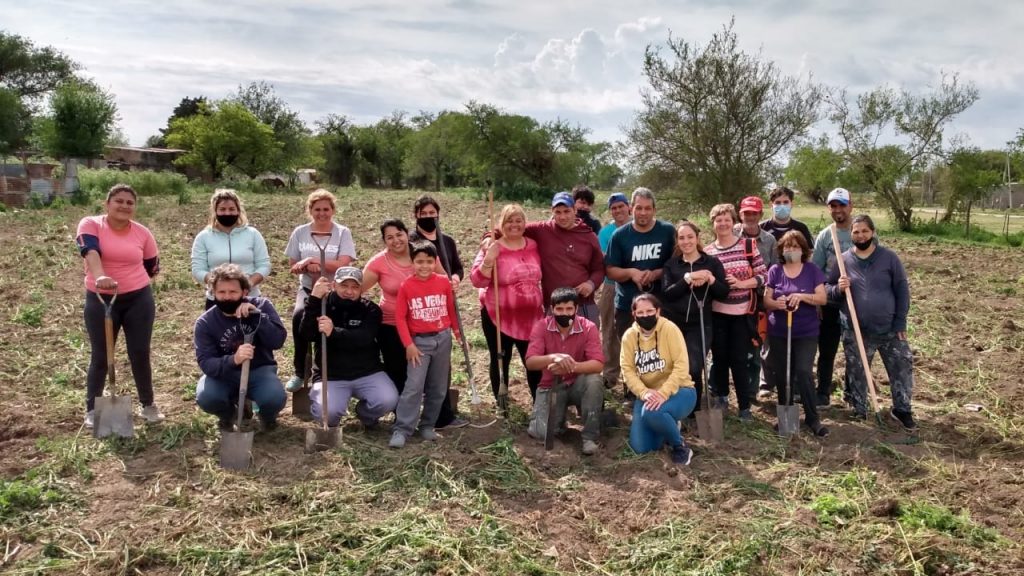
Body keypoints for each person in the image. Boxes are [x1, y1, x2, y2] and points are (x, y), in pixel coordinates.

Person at [76, 183, 164, 428]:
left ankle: (148, 404)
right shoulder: (91, 224)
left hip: (138, 299)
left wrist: (134, 281)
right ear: (107, 204)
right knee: (101, 355)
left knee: (140, 352)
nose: (124, 206)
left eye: (130, 202)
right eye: (119, 201)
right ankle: (93, 409)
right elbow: (89, 250)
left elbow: (152, 265)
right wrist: (100, 276)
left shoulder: (142, 233)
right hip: (100, 299)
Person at [362, 219, 462, 428]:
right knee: (399, 371)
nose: (396, 240)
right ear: (384, 241)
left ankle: (441, 417)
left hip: (427, 324)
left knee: (436, 373)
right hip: (391, 325)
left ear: (407, 233)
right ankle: (403, 418)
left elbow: (444, 282)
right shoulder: (378, 262)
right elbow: (358, 288)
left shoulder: (422, 254)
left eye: (399, 234)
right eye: (389, 237)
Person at [827, 215, 917, 430]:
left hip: (889, 329)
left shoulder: (889, 258)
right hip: (856, 329)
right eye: (856, 232)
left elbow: (902, 290)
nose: (861, 235)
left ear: (873, 232)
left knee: (901, 366)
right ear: (851, 235)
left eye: (865, 231)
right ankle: (859, 408)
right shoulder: (843, 260)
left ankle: (902, 409)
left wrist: (900, 322)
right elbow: (828, 291)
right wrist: (838, 288)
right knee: (857, 371)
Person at [299, 267, 398, 429]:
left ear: (361, 289)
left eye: (355, 287)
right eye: (344, 286)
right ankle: (333, 418)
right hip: (330, 376)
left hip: (367, 372)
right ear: (333, 285)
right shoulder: (322, 306)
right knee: (327, 415)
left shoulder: (370, 309)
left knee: (387, 400)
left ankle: (365, 414)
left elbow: (364, 338)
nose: (349, 291)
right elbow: (306, 334)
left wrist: (334, 333)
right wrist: (315, 299)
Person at [194, 264, 288, 431]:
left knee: (274, 398)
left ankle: (267, 416)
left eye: (233, 292)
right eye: (221, 292)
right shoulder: (206, 323)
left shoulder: (262, 306)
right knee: (207, 397)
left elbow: (277, 341)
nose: (227, 297)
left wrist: (258, 317)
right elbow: (206, 363)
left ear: (244, 292)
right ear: (213, 293)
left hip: (259, 370)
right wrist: (234, 359)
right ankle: (229, 414)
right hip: (224, 374)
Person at [390, 242, 463, 448]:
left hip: (443, 338)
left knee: (438, 387)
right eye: (419, 261)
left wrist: (458, 333)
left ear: (435, 262)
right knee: (414, 386)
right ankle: (402, 428)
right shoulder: (407, 286)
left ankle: (428, 424)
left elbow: (451, 309)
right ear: (412, 262)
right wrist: (409, 344)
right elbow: (400, 318)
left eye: (429, 262)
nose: (424, 266)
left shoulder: (443, 282)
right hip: (420, 343)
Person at [283, 189, 357, 392]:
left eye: (326, 209)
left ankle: (333, 370)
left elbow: (343, 263)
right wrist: (308, 267)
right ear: (310, 210)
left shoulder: (342, 233)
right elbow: (293, 265)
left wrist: (312, 259)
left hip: (336, 290)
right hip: (309, 288)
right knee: (299, 316)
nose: (322, 213)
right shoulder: (300, 232)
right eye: (317, 209)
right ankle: (300, 371)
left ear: (333, 210)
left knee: (334, 324)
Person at [470, 204, 545, 400]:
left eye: (518, 220)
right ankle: (502, 403)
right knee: (500, 360)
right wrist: (489, 259)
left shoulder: (533, 245)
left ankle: (539, 403)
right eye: (509, 221)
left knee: (533, 361)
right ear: (501, 224)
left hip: (532, 318)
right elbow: (477, 280)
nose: (514, 225)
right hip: (499, 317)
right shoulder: (493, 247)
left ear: (524, 223)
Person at [763, 231, 830, 437]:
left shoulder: (812, 270)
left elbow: (822, 298)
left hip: (806, 332)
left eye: (795, 246)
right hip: (779, 331)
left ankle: (812, 417)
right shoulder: (775, 270)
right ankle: (786, 416)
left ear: (803, 250)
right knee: (783, 373)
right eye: (787, 247)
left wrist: (801, 297)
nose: (791, 250)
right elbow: (767, 301)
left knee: (803, 371)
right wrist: (777, 303)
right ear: (781, 250)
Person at [704, 203, 767, 421]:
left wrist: (742, 284)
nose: (723, 224)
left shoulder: (747, 246)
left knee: (739, 360)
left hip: (742, 314)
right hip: (717, 313)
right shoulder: (708, 252)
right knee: (719, 358)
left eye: (727, 219)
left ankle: (744, 406)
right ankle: (722, 398)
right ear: (713, 224)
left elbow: (763, 276)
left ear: (734, 222)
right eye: (718, 220)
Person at [524, 287, 605, 455]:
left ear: (576, 308)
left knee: (594, 380)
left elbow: (598, 364)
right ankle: (559, 423)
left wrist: (571, 365)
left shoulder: (588, 327)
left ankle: (589, 437)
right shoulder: (541, 326)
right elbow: (530, 362)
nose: (564, 313)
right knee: (540, 432)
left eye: (569, 308)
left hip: (577, 384)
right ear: (552, 309)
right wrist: (553, 358)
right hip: (551, 386)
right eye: (559, 309)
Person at [661, 221, 729, 415]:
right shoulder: (671, 265)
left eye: (690, 237)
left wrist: (711, 279)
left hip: (700, 323)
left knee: (693, 366)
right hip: (674, 323)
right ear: (677, 241)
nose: (686, 241)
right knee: (673, 366)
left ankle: (694, 410)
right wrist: (688, 278)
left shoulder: (712, 263)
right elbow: (668, 293)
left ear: (697, 238)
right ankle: (675, 406)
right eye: (681, 238)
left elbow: (723, 293)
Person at [621, 294, 697, 465]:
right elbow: (627, 370)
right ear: (634, 314)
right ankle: (668, 425)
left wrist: (663, 393)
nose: (645, 315)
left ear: (658, 311)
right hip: (647, 394)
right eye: (640, 312)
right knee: (641, 448)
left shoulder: (670, 329)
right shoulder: (629, 336)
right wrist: (644, 392)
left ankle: (679, 446)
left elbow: (681, 366)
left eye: (649, 311)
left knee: (652, 413)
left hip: (679, 391)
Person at [604, 187, 677, 343]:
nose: (643, 213)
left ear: (654, 210)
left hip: (660, 305)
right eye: (639, 208)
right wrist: (631, 273)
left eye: (647, 208)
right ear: (631, 209)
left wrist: (657, 273)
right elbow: (610, 270)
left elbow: (678, 265)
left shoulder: (667, 231)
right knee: (631, 352)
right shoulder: (619, 235)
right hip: (627, 307)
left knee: (662, 351)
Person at [523, 191, 605, 322]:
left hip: (583, 305)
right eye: (558, 212)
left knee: (588, 335)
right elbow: (512, 227)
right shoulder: (542, 230)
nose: (562, 217)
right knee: (553, 336)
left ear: (574, 210)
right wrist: (489, 237)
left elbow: (599, 268)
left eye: (567, 211)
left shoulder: (588, 235)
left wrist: (591, 284)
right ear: (552, 211)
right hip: (554, 306)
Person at [190, 189, 271, 310]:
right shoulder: (203, 237)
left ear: (238, 210)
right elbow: (198, 269)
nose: (227, 213)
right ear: (215, 211)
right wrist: (218, 285)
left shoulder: (253, 234)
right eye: (222, 209)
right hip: (217, 300)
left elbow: (264, 265)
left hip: (249, 297)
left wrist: (247, 285)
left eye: (232, 209)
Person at [811, 187, 855, 407]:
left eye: (842, 205)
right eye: (833, 206)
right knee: (827, 350)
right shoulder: (826, 235)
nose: (838, 210)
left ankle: (853, 393)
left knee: (854, 350)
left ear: (850, 206)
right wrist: (818, 300)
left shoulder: (861, 231)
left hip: (856, 301)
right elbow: (816, 270)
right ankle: (823, 392)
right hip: (830, 300)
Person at [734, 196, 777, 403]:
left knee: (756, 343)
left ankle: (752, 390)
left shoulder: (769, 241)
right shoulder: (731, 234)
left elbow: (774, 271)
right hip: (734, 298)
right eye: (746, 213)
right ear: (740, 214)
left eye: (754, 213)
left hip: (759, 299)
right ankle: (723, 390)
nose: (750, 217)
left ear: (760, 215)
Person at [597, 192, 632, 388]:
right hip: (612, 284)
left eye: (621, 206)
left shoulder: (639, 226)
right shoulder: (605, 233)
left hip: (639, 284)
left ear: (629, 207)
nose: (618, 210)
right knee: (609, 330)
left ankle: (633, 378)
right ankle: (610, 375)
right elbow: (607, 260)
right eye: (614, 208)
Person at [408, 194, 464, 288]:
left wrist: (456, 278)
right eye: (423, 213)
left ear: (437, 214)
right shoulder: (410, 241)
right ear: (416, 215)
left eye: (432, 213)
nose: (428, 216)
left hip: (444, 291)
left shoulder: (448, 241)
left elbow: (458, 268)